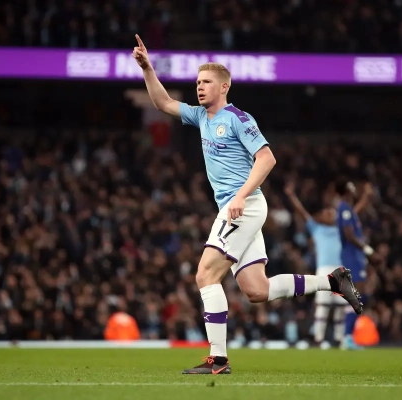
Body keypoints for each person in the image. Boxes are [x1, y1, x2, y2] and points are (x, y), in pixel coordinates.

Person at [132, 35, 363, 374]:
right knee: (257, 289)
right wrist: (147, 69)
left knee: (205, 274)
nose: (199, 87)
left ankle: (218, 359)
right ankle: (333, 281)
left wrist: (240, 196)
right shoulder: (201, 117)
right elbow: (163, 102)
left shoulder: (238, 118)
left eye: (206, 82)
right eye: (197, 82)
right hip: (239, 207)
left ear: (223, 87)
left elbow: (267, 158)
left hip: (244, 205)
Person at [284, 181, 347, 347]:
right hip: (324, 268)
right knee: (323, 304)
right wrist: (291, 195)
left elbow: (355, 213)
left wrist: (365, 198)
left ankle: (339, 339)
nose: (330, 215)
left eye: (332, 213)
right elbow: (302, 212)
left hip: (341, 269)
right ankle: (319, 338)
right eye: (327, 213)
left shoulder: (342, 229)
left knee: (341, 306)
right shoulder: (317, 228)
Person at [335, 178, 377, 350]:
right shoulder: (344, 209)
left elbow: (357, 210)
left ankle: (348, 336)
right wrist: (369, 251)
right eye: (352, 186)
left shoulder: (349, 209)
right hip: (351, 256)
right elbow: (349, 235)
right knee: (356, 296)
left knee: (360, 296)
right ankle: (347, 337)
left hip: (356, 256)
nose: (354, 188)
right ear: (347, 190)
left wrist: (366, 196)